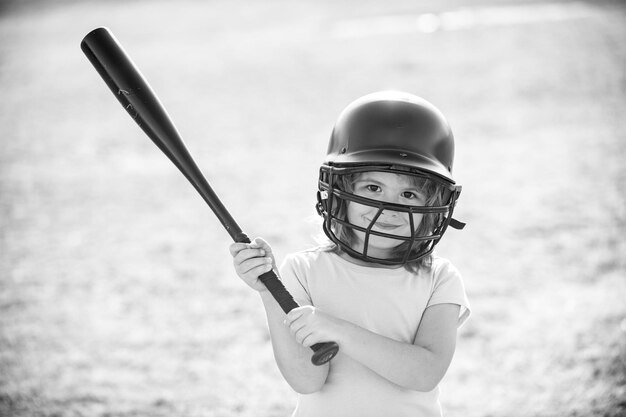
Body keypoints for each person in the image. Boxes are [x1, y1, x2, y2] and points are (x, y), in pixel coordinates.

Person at [229, 91, 471, 417]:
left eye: (409, 193)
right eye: (372, 188)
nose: (390, 207)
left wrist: (335, 329)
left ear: (433, 206)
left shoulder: (439, 278)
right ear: (340, 192)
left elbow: (424, 373)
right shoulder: (303, 270)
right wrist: (270, 290)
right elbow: (307, 380)